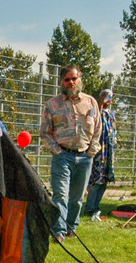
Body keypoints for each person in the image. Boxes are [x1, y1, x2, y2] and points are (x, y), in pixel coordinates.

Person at [40, 65, 102, 239]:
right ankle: (58, 231)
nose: (70, 82)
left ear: (79, 79)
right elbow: (45, 132)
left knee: (77, 197)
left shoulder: (91, 103)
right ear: (61, 82)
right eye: (67, 79)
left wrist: (92, 151)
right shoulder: (52, 104)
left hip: (85, 156)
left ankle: (71, 228)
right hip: (62, 156)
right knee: (60, 194)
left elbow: (98, 129)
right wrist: (57, 151)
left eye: (74, 78)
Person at [82, 88, 117, 222]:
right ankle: (90, 206)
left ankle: (96, 205)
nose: (107, 99)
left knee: (105, 179)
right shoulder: (96, 111)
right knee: (96, 179)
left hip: (108, 152)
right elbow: (94, 121)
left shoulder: (111, 114)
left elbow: (113, 129)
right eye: (104, 96)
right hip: (98, 151)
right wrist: (100, 105)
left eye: (109, 97)